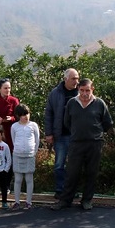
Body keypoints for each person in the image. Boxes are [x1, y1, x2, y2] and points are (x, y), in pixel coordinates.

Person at [51, 79, 113, 211]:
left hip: (94, 144)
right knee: (72, 173)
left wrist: (95, 133)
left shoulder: (99, 103)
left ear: (92, 90)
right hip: (76, 143)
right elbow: (67, 122)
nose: (85, 94)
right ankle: (65, 201)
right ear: (78, 89)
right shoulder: (72, 103)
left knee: (91, 173)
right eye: (82, 90)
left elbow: (107, 123)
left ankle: (86, 200)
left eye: (88, 91)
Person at [43, 68, 80, 199]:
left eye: (77, 78)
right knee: (59, 164)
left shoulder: (80, 93)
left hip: (77, 136)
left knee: (74, 165)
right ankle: (60, 190)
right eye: (73, 79)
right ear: (65, 79)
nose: (76, 81)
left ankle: (71, 190)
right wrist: (49, 133)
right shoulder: (55, 93)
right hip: (61, 135)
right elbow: (49, 114)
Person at [10, 104, 40, 210]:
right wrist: (18, 150)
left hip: (30, 155)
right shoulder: (14, 126)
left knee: (29, 179)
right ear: (18, 116)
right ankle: (17, 202)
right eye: (22, 115)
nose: (25, 116)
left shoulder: (33, 125)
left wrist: (33, 152)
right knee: (18, 179)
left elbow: (37, 140)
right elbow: (14, 140)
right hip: (17, 155)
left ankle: (28, 202)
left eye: (27, 114)